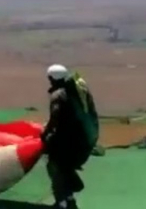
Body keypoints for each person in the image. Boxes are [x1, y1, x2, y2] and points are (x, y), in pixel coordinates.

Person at [41, 64, 99, 209]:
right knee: (65, 168)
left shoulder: (58, 95)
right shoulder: (73, 92)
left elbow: (55, 120)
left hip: (65, 141)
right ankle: (69, 198)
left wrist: (45, 134)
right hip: (79, 140)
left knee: (54, 168)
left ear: (51, 78)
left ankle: (62, 203)